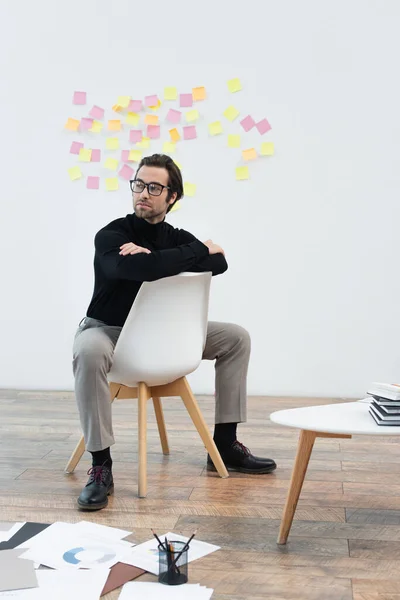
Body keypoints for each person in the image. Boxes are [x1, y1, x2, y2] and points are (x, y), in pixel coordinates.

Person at [72, 153, 277, 510]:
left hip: (163, 336)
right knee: (87, 350)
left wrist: (154, 257)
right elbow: (136, 269)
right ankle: (100, 465)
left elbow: (219, 262)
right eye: (139, 184)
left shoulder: (177, 236)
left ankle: (225, 446)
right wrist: (191, 252)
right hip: (110, 333)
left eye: (154, 187)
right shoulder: (111, 234)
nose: (143, 193)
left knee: (236, 338)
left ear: (172, 197)